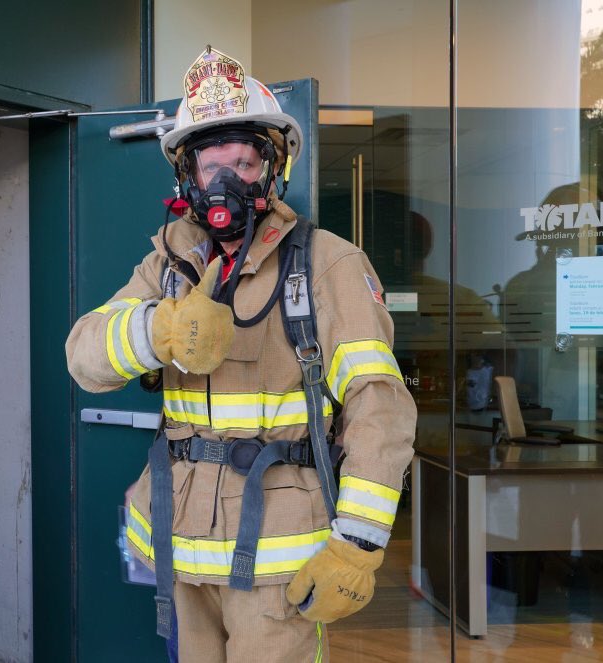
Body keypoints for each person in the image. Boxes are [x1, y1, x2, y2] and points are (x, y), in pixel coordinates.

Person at [65, 48, 416, 663]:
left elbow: (379, 407)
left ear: (271, 171)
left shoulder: (328, 263)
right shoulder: (167, 268)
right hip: (180, 549)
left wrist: (357, 544)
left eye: (245, 162)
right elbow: (83, 358)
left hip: (279, 559)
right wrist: (156, 331)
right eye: (211, 163)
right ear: (189, 178)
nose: (227, 180)